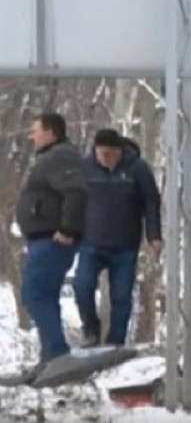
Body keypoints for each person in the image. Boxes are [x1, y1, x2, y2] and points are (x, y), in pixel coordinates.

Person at [73, 128, 163, 348]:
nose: (107, 160)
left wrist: (154, 235)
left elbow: (151, 203)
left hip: (125, 244)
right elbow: (73, 201)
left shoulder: (138, 169)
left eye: (111, 155)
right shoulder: (84, 169)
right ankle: (91, 329)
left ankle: (116, 342)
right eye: (102, 154)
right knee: (82, 286)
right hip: (91, 241)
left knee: (121, 296)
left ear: (120, 151)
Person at [15, 112, 88, 372]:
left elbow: (76, 191)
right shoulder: (52, 158)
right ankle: (50, 357)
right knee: (44, 295)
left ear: (51, 133)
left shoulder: (59, 156)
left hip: (52, 239)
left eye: (36, 130)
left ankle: (57, 355)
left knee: (34, 294)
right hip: (43, 238)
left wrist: (67, 228)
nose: (31, 136)